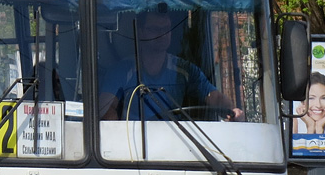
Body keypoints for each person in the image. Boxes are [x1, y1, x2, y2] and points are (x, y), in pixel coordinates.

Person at [99, 11, 243, 121]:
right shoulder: (122, 70)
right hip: (136, 147)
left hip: (175, 144)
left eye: (166, 28)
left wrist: (232, 110)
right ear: (140, 32)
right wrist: (122, 138)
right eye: (154, 29)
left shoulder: (185, 70)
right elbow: (106, 108)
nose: (162, 34)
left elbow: (213, 97)